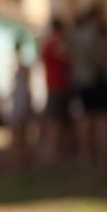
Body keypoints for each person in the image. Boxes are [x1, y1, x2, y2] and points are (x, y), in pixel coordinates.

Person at [69, 4, 107, 166]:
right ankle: (104, 155)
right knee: (102, 119)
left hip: (81, 81)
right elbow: (101, 58)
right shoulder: (95, 34)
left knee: (85, 119)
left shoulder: (76, 35)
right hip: (95, 80)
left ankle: (86, 153)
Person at [39, 16, 73, 162]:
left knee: (56, 119)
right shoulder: (56, 43)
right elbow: (69, 58)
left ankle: (56, 150)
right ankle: (55, 150)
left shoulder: (49, 43)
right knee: (56, 120)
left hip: (55, 85)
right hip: (58, 85)